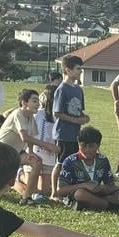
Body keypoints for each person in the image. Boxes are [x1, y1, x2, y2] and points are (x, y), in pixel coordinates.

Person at [0, 89, 55, 205]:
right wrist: (46, 145)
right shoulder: (18, 113)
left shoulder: (31, 117)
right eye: (34, 101)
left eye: (38, 101)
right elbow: (25, 138)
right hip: (0, 151)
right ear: (24, 102)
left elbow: (31, 135)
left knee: (37, 161)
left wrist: (31, 152)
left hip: (15, 152)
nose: (38, 104)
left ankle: (27, 197)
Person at [51, 55, 90, 201]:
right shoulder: (62, 89)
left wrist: (84, 118)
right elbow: (57, 112)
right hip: (64, 133)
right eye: (78, 69)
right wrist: (75, 120)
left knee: (73, 163)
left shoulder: (78, 90)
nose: (81, 72)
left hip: (75, 133)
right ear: (67, 70)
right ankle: (55, 193)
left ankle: (68, 192)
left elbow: (79, 111)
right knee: (61, 163)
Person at [57, 127, 119, 212]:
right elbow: (60, 191)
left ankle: (100, 204)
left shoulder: (103, 160)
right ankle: (110, 207)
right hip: (78, 196)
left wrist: (101, 188)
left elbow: (110, 185)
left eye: (91, 146)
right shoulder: (70, 161)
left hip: (99, 194)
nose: (87, 150)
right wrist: (85, 185)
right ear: (78, 144)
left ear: (98, 145)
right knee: (80, 194)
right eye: (83, 146)